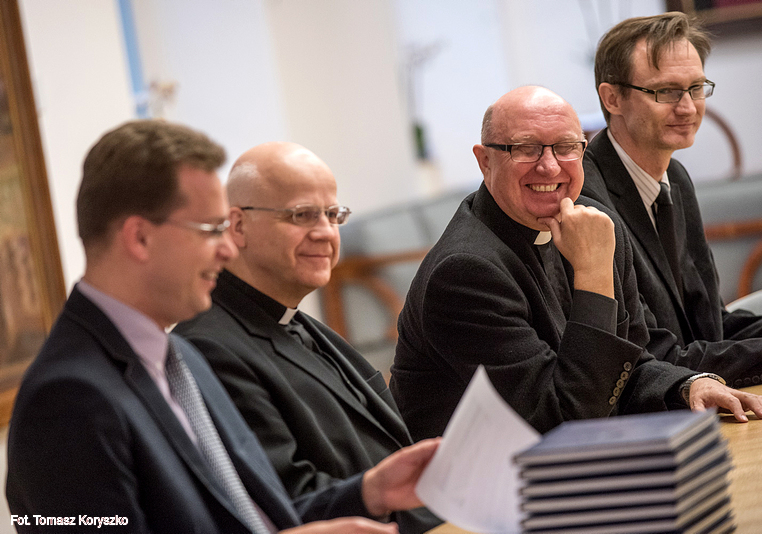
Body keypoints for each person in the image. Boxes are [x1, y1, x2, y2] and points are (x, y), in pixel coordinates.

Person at [6, 120, 438, 534]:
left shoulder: (180, 358)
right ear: (139, 238)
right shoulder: (66, 399)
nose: (228, 248)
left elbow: (250, 516)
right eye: (211, 229)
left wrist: (369, 492)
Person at [390, 86, 762, 442]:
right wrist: (594, 274)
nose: (549, 166)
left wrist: (688, 385)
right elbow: (563, 419)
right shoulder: (465, 273)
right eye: (526, 148)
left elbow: (626, 363)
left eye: (566, 147)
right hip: (484, 487)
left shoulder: (594, 222)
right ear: (485, 160)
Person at [174, 142, 440, 533]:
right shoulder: (209, 347)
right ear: (238, 226)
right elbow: (285, 500)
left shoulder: (293, 320)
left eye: (332, 215)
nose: (325, 233)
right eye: (302, 215)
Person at [580, 12, 762, 388]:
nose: (687, 107)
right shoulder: (587, 200)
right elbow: (653, 357)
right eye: (666, 91)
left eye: (696, 88)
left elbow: (712, 327)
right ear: (612, 98)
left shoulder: (676, 178)